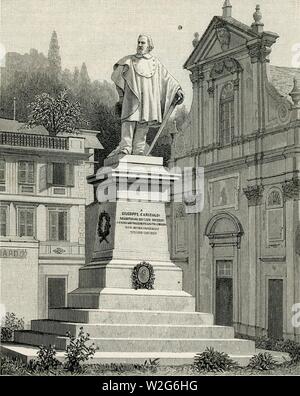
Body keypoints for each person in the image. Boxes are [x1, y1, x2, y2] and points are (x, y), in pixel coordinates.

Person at [109, 34, 184, 156]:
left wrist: (177, 90)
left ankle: (139, 149)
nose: (139, 45)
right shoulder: (128, 60)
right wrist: (121, 96)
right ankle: (125, 147)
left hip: (148, 98)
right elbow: (117, 78)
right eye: (138, 42)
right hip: (132, 97)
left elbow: (167, 78)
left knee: (143, 123)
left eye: (142, 43)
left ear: (149, 45)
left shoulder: (155, 63)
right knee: (129, 120)